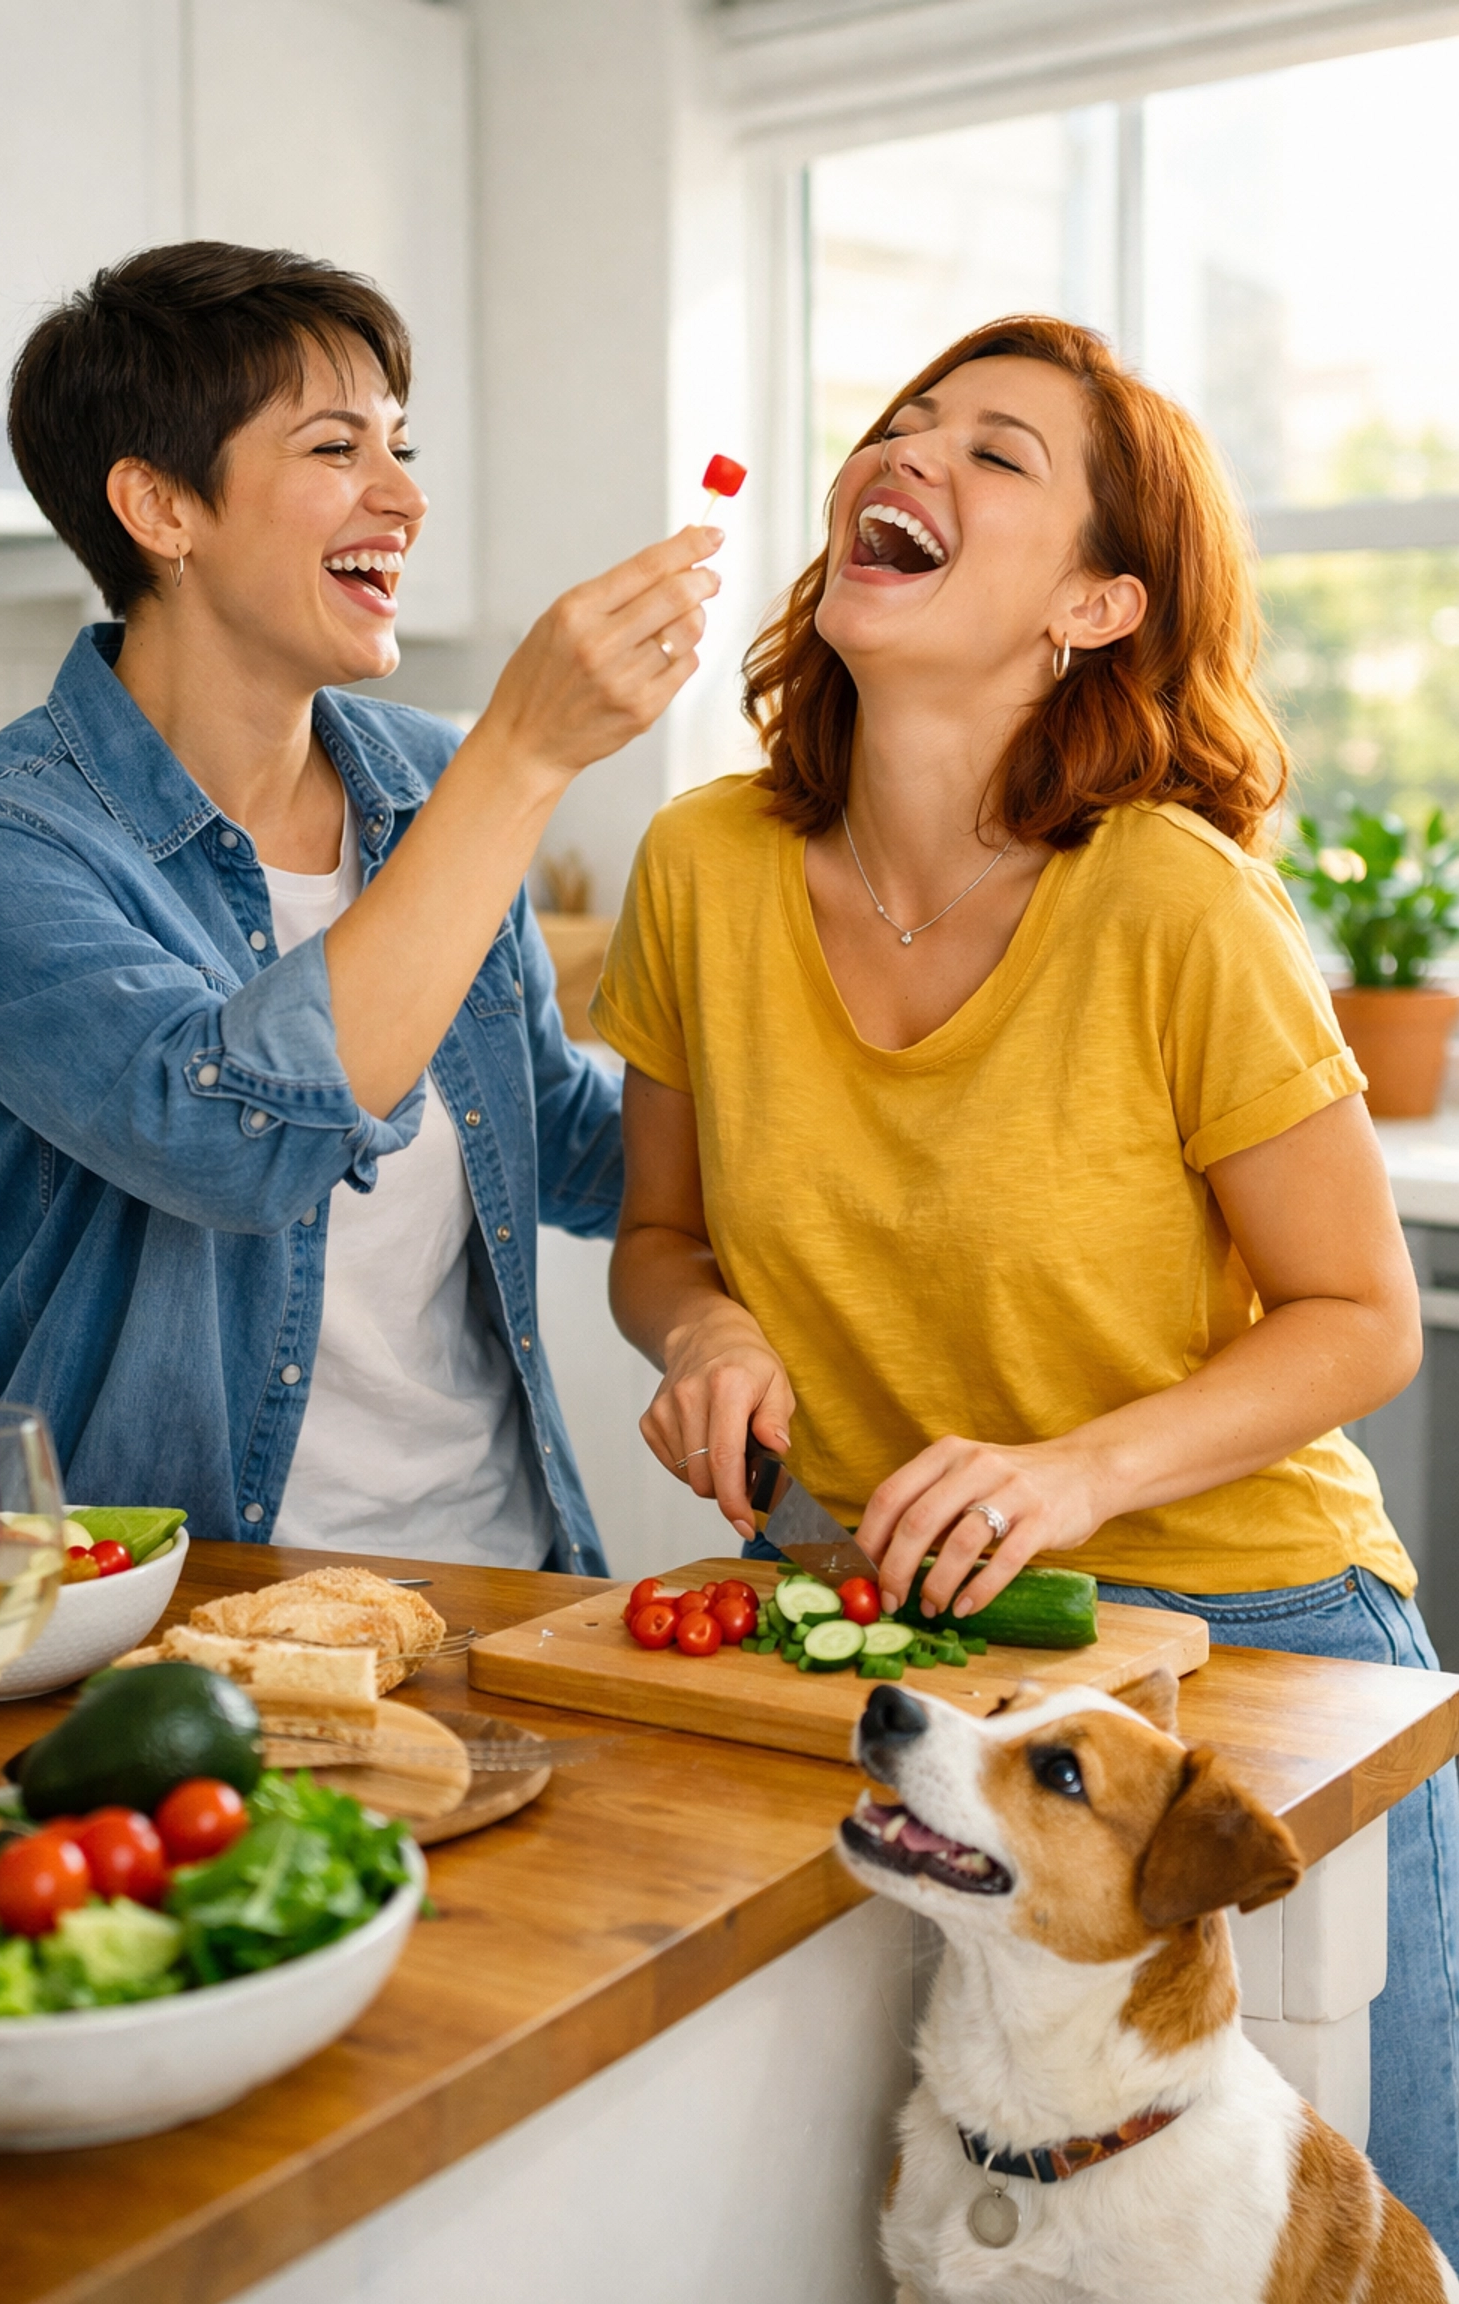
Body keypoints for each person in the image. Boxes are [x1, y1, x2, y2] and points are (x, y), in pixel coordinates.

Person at [592, 315, 1459, 2248]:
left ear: (1093, 601)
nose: (913, 452)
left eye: (998, 452)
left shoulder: (1172, 896)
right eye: (903, 426)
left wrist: (1073, 1474)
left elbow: (1359, 1318)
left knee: (1345, 2236)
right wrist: (706, 1327)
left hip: (1253, 1639)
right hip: (922, 1642)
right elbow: (662, 1241)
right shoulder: (698, 867)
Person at [0, 240, 722, 1575]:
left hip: (499, 1583)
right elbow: (236, 1143)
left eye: (402, 448)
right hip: (180, 1618)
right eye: (337, 448)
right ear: (162, 510)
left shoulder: (422, 782)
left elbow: (558, 1130)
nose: (404, 499)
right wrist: (524, 754)